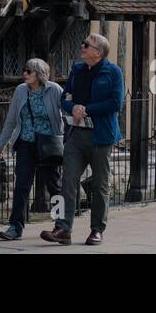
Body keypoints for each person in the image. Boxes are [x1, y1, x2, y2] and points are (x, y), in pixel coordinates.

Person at [41, 32, 124, 246]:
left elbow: (115, 103)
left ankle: (97, 230)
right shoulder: (77, 70)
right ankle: (63, 229)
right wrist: (73, 107)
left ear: (98, 52)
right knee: (68, 181)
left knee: (100, 185)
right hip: (76, 135)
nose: (82, 46)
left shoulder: (113, 72)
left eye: (86, 44)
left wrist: (86, 109)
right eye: (83, 43)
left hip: (101, 137)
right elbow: (64, 98)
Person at [0, 58, 64, 240]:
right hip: (26, 143)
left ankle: (61, 225)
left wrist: (68, 140)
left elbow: (68, 112)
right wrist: (1, 144)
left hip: (48, 144)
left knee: (54, 186)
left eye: (28, 71)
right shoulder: (20, 91)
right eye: (24, 70)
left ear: (39, 74)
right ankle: (15, 227)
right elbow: (11, 120)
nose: (24, 73)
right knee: (22, 186)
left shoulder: (54, 90)